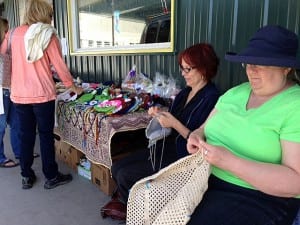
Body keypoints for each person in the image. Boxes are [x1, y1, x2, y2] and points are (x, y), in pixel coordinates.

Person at [186, 25, 300, 225]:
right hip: (205, 179)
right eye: (248, 63)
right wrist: (196, 135)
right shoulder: (235, 93)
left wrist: (229, 161)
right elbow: (204, 127)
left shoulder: (295, 105)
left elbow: (296, 182)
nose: (251, 72)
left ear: (286, 67)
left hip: (259, 197)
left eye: (261, 65)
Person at [102, 43, 220, 220]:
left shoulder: (212, 98)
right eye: (182, 68)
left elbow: (199, 141)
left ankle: (142, 216)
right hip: (166, 146)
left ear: (204, 68)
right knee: (117, 167)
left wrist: (172, 122)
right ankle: (136, 210)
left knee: (126, 175)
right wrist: (159, 115)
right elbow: (171, 120)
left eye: (187, 69)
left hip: (183, 157)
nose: (183, 73)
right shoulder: (185, 93)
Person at [0, 0, 83, 189]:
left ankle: (26, 176)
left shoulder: (11, 34)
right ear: (44, 13)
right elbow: (60, 67)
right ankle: (51, 176)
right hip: (43, 95)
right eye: (50, 14)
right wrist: (72, 87)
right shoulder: (48, 35)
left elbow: (3, 57)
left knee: (26, 134)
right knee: (45, 135)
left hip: (19, 95)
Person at [0, 17, 40, 168]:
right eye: (5, 30)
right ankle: (0, 158)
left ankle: (21, 152)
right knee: (1, 126)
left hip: (10, 90)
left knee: (16, 124)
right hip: (0, 91)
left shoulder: (8, 46)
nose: (8, 33)